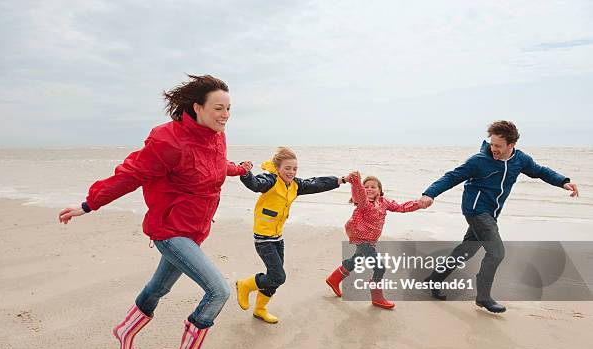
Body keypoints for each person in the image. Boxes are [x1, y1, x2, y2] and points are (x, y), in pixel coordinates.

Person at [58, 74, 252, 349]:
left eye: (229, 108)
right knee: (218, 290)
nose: (225, 115)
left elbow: (217, 166)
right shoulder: (167, 141)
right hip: (169, 230)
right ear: (197, 107)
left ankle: (126, 329)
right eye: (219, 108)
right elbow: (131, 173)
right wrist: (89, 204)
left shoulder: (216, 137)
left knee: (158, 288)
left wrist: (240, 169)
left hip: (194, 231)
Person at [419, 120, 579, 313]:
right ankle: (483, 297)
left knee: (467, 250)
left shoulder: (520, 160)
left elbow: (540, 171)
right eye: (491, 144)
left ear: (511, 145)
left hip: (491, 213)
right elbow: (451, 177)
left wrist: (563, 182)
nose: (493, 149)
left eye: (498, 146)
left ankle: (434, 279)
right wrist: (430, 193)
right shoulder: (478, 161)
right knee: (496, 252)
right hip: (476, 210)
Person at [235, 147, 353, 323]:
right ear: (278, 167)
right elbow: (255, 184)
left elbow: (316, 184)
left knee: (274, 276)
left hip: (277, 238)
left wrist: (341, 180)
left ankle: (260, 309)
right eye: (287, 168)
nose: (291, 172)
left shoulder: (295, 185)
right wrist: (245, 173)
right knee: (278, 276)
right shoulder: (270, 180)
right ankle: (245, 285)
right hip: (263, 239)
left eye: (294, 169)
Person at [325, 171, 423, 309]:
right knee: (380, 267)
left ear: (380, 190)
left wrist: (419, 204)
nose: (369, 189)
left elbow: (401, 207)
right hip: (360, 237)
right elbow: (359, 193)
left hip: (370, 240)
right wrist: (356, 182)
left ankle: (333, 279)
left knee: (356, 260)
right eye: (366, 187)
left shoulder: (384, 202)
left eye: (373, 187)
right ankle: (377, 297)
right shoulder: (363, 202)